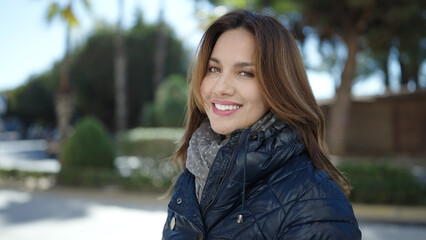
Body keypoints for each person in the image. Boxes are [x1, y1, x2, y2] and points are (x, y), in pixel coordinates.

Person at [162, 9, 361, 239]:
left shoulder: (316, 201)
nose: (220, 88)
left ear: (279, 86)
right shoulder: (191, 178)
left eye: (245, 73)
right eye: (214, 69)